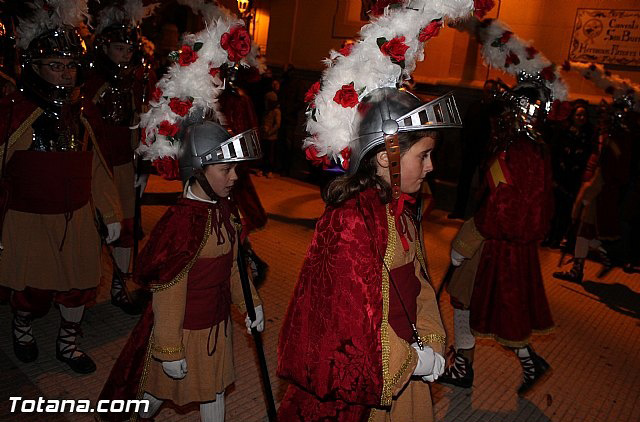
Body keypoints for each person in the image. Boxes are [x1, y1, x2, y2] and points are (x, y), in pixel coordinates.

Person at [97, 121, 265, 422]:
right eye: (225, 170)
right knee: (157, 392)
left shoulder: (224, 210)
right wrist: (170, 349)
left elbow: (234, 267)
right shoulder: (181, 225)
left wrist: (251, 304)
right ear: (199, 170)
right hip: (186, 331)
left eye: (234, 168)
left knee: (214, 391)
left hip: (217, 325)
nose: (234, 177)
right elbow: (169, 293)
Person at [0, 0, 121, 374]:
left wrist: (111, 211)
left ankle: (68, 343)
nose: (66, 74)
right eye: (55, 65)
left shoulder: (83, 114)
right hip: (28, 220)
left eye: (70, 66)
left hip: (78, 218)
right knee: (29, 292)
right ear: (33, 68)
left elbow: (98, 169)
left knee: (81, 286)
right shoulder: (13, 113)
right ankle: (22, 330)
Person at [440, 77, 555, 396]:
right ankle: (523, 361)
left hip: (492, 245)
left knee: (465, 298)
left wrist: (466, 241)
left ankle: (467, 368)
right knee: (499, 307)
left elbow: (503, 207)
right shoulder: (533, 148)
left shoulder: (518, 150)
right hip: (507, 243)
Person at [84, 0, 158, 314]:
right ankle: (82, 293)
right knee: (94, 228)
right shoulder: (92, 83)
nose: (125, 55)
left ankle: (120, 286)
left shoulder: (134, 81)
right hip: (97, 165)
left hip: (125, 163)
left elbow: (136, 124)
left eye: (129, 50)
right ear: (104, 47)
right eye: (118, 48)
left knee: (127, 227)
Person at [553, 100, 633, 282]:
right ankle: (587, 263)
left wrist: (587, 195)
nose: (601, 118)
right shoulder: (609, 135)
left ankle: (594, 260)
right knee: (584, 231)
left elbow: (607, 169)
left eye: (605, 115)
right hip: (595, 186)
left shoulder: (616, 138)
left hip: (600, 190)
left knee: (584, 230)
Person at [543, 100, 595, 248]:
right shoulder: (563, 132)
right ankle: (549, 235)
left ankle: (560, 237)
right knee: (554, 208)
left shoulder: (588, 135)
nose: (581, 118)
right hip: (559, 176)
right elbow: (554, 153)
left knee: (567, 210)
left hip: (574, 179)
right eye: (578, 115)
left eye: (584, 115)